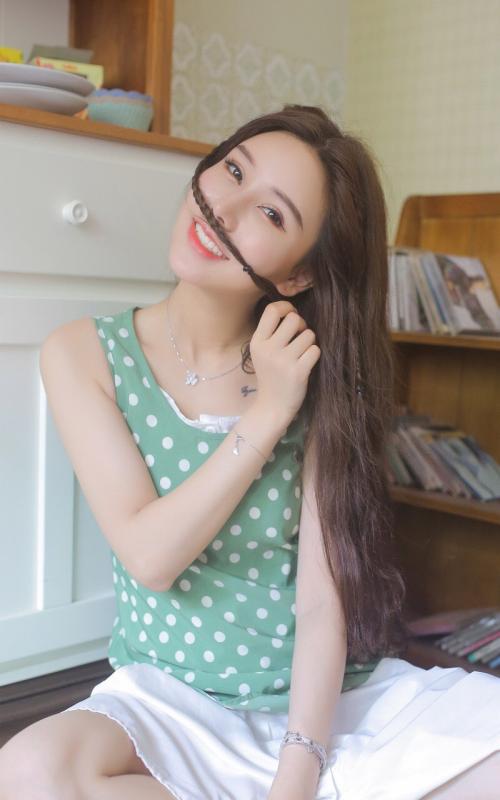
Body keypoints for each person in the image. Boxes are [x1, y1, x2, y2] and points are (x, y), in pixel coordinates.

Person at [0, 104, 498, 800]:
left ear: (298, 276)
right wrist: (267, 413)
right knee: (27, 773)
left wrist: (296, 775)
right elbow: (150, 556)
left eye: (270, 213)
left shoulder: (312, 372)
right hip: (168, 702)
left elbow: (322, 604)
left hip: (316, 706)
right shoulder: (83, 353)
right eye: (233, 170)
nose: (224, 211)